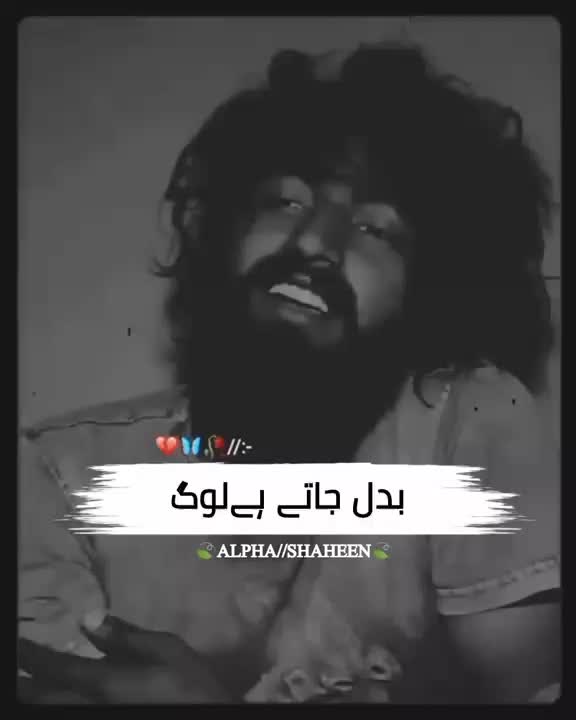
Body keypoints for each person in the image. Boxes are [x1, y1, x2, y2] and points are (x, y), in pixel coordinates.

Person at [18, 41, 560, 703]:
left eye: (376, 230)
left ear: (428, 291)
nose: (315, 245)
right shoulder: (58, 474)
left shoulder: (464, 425)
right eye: (286, 203)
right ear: (221, 229)